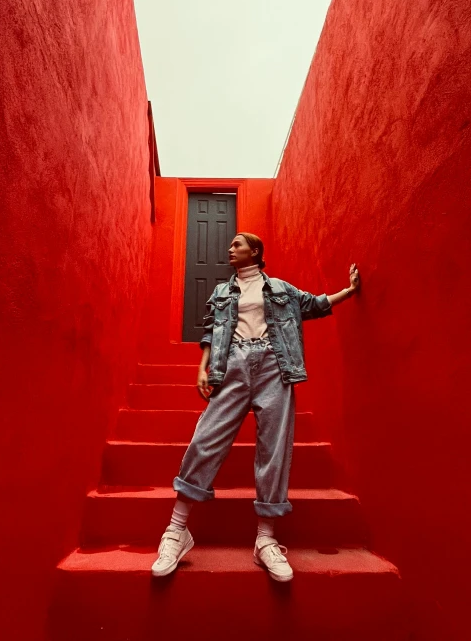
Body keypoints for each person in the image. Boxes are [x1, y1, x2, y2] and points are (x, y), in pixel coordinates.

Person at [152, 232, 360, 581]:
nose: (230, 249)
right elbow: (210, 332)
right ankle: (177, 530)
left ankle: (266, 540)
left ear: (255, 251)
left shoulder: (279, 287)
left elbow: (314, 304)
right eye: (230, 244)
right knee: (206, 439)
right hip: (232, 365)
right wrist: (203, 367)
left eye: (237, 244)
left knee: (273, 449)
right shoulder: (222, 292)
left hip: (274, 366)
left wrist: (348, 291)